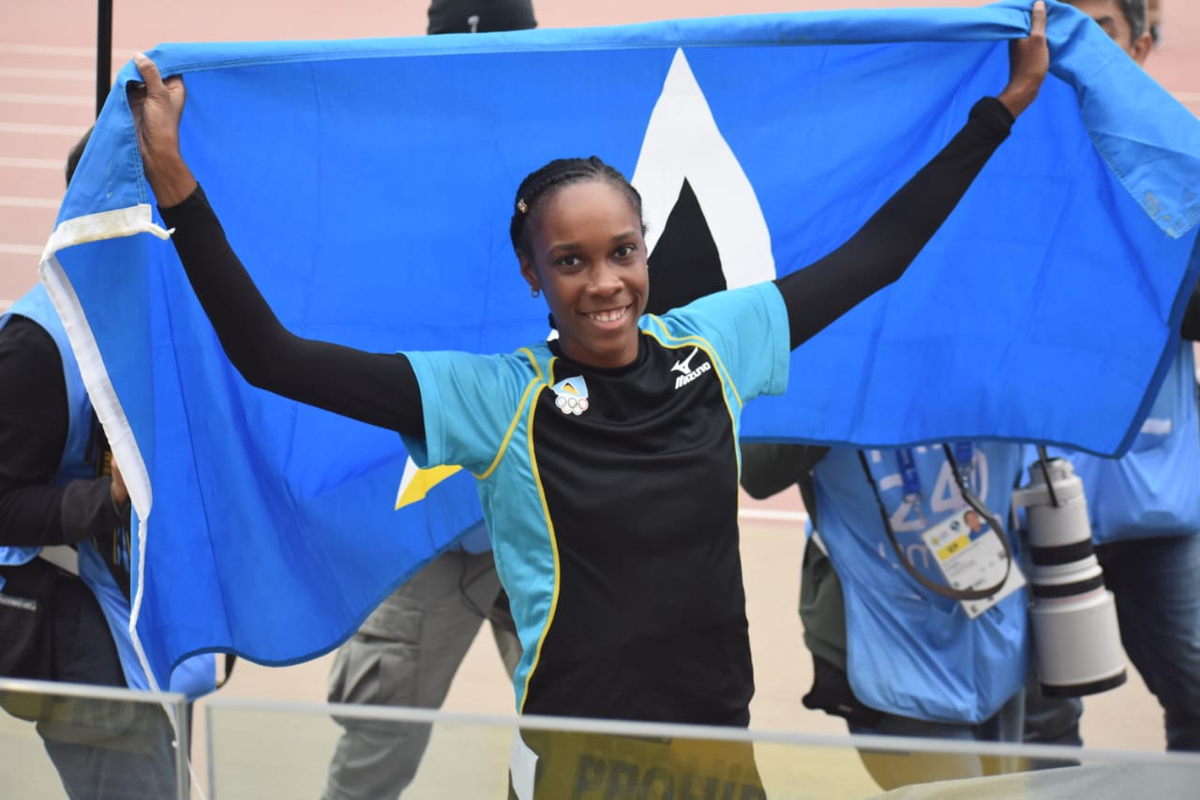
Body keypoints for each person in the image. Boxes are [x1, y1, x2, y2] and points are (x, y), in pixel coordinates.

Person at [127, 2, 1048, 793]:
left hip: (719, 744)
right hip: (574, 757)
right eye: (570, 261)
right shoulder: (495, 399)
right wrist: (178, 188)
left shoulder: (716, 347)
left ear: (647, 251)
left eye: (622, 252)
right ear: (532, 274)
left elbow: (874, 259)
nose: (604, 282)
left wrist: (995, 115)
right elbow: (271, 356)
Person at [320, 5, 532, 798]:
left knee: (573, 735)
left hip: (539, 517)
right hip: (422, 524)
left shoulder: (570, 157)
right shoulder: (389, 177)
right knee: (377, 742)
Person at [0, 132, 213, 800]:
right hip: (81, 640)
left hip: (152, 618)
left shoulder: (161, 320)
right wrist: (107, 497)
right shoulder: (37, 347)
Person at [1023, 0, 1200, 755]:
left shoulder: (1178, 164)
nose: (1079, 47)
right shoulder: (1005, 161)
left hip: (1157, 508)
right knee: (1042, 726)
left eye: (1100, 26)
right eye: (1064, 27)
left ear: (1143, 43)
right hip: (1030, 506)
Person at [741, 442, 1030, 790]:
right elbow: (757, 471)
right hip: (889, 648)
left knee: (1007, 789)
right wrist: (836, 390)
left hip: (995, 638)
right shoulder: (831, 388)